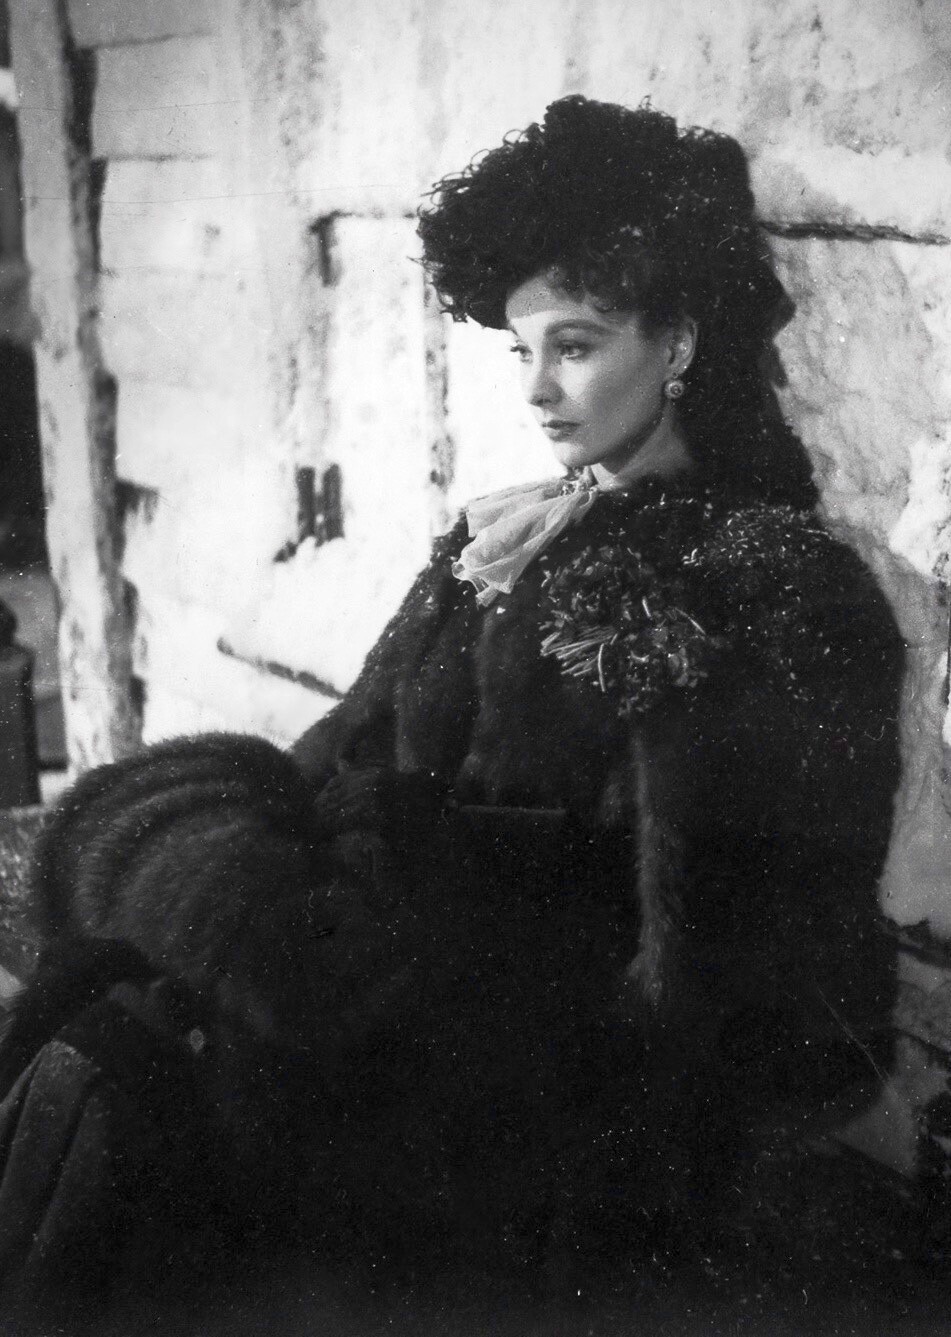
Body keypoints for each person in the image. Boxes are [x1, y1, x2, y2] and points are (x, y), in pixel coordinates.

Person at [0, 94, 904, 1326]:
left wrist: (394, 997)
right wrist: (256, 920)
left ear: (681, 343)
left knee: (134, 1108)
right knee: (103, 1040)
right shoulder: (498, 544)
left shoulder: (773, 585)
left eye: (575, 345)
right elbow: (332, 760)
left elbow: (729, 984)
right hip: (374, 1029)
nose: (537, 389)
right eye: (520, 350)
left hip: (526, 1122)